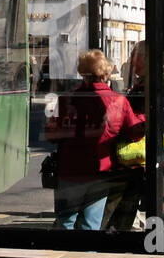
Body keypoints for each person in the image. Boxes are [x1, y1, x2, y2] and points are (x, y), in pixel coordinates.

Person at [45, 49, 146, 230]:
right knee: (90, 226)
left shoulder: (66, 99)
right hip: (100, 170)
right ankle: (86, 256)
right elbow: (134, 132)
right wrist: (144, 118)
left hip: (69, 169)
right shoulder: (117, 101)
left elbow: (51, 134)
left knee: (65, 222)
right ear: (106, 73)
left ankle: (64, 256)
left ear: (81, 71)